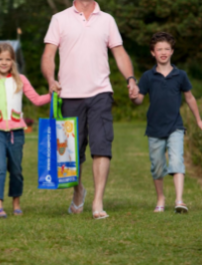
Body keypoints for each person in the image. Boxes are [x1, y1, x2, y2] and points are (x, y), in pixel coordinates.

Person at [41, 0, 139, 219]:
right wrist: (50, 79)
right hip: (68, 94)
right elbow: (48, 55)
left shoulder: (107, 20)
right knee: (70, 154)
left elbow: (120, 53)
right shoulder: (60, 19)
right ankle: (78, 191)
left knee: (102, 144)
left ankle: (98, 202)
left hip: (100, 93)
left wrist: (130, 79)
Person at [131, 32, 202, 213]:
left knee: (176, 161)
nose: (163, 52)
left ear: (172, 51)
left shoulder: (180, 75)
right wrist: (133, 96)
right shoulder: (148, 77)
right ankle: (160, 198)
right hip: (154, 128)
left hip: (176, 127)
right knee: (157, 167)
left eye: (167, 49)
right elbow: (139, 100)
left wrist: (198, 119)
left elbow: (189, 98)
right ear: (153, 53)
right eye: (159, 49)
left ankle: (179, 200)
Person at [0, 42, 51, 219]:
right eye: (0, 59)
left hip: (17, 133)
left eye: (7, 59)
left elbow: (37, 99)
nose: (3, 62)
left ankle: (16, 203)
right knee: (0, 167)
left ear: (13, 61)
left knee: (16, 170)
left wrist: (53, 95)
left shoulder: (21, 80)